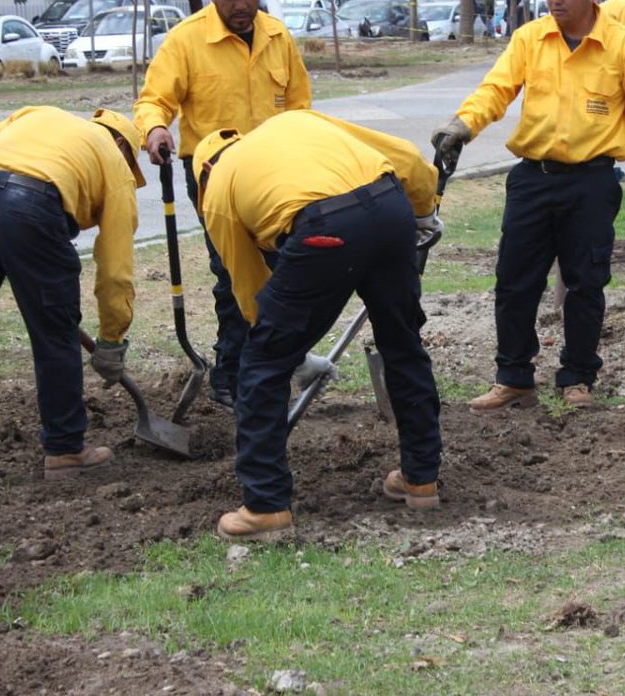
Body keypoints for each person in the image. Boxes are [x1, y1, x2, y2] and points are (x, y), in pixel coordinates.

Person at [431, 0, 625, 412]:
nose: (555, 0)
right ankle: (514, 377)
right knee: (514, 281)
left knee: (585, 282)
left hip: (592, 181)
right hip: (532, 179)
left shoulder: (622, 45)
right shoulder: (530, 39)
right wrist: (464, 124)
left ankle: (577, 378)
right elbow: (496, 91)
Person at [190, 111, 443, 540]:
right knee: (402, 345)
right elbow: (404, 156)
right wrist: (423, 210)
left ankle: (265, 507)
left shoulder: (217, 190)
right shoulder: (295, 124)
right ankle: (421, 479)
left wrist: (290, 354)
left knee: (261, 365)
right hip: (389, 204)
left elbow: (248, 288)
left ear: (204, 171)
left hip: (323, 227)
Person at [0, 107, 146, 480]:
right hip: (34, 207)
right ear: (122, 143)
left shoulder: (38, 113)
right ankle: (66, 449)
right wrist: (112, 338)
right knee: (55, 335)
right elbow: (116, 266)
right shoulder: (114, 160)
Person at [134, 0, 311, 409]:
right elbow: (155, 99)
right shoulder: (186, 40)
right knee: (233, 273)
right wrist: (154, 129)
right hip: (214, 177)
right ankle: (229, 376)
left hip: (276, 174)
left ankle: (271, 365)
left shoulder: (278, 37)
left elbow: (300, 106)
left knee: (281, 269)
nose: (240, 4)